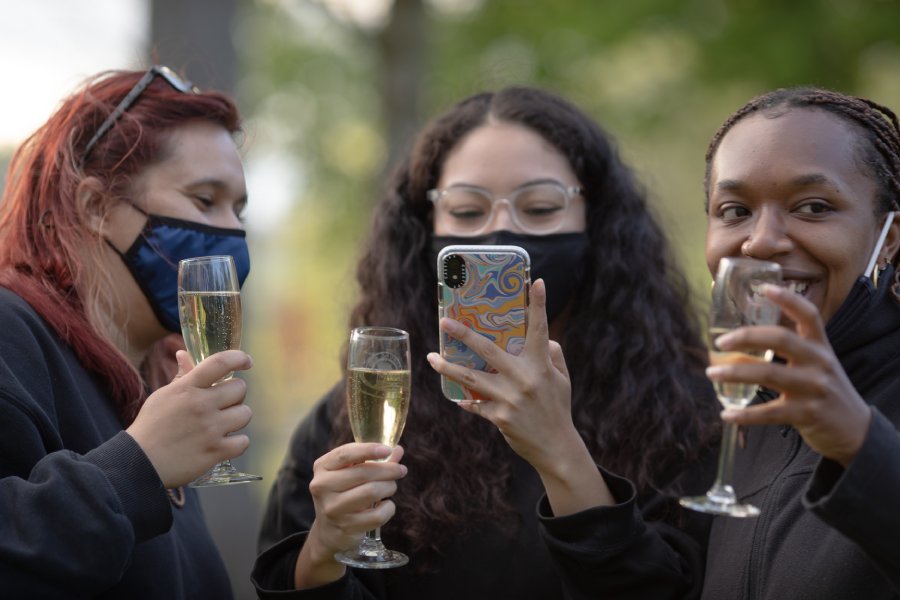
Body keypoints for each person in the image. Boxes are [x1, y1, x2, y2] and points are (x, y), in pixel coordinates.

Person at [252, 86, 720, 598]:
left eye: (540, 207)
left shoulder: (684, 416)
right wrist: (322, 551)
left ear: (599, 223)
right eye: (468, 211)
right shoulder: (355, 416)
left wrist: (560, 452)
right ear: (423, 226)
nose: (501, 230)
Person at [477, 86, 900, 599]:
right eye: (735, 210)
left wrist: (858, 444)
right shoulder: (734, 420)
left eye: (813, 206)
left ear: (889, 235)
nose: (761, 240)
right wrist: (557, 447)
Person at [0, 66, 255, 597]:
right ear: (95, 207)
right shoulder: (12, 337)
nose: (232, 230)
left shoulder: (153, 382)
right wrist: (138, 467)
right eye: (206, 200)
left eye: (240, 208)